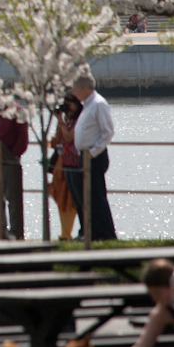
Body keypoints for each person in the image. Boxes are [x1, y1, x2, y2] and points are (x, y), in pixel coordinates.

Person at [70, 75, 117, 241]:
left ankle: (106, 234)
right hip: (84, 155)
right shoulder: (87, 106)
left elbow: (108, 132)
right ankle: (93, 232)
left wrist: (92, 152)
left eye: (75, 89)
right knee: (87, 196)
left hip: (94, 156)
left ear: (84, 88)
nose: (73, 93)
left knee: (96, 196)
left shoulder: (98, 104)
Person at [49, 94, 84, 240]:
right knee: (62, 197)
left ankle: (77, 231)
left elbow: (70, 137)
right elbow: (58, 139)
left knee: (74, 198)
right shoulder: (66, 120)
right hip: (63, 164)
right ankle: (65, 232)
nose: (67, 106)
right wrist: (59, 121)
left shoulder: (80, 120)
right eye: (66, 103)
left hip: (75, 163)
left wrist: (60, 120)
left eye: (70, 103)